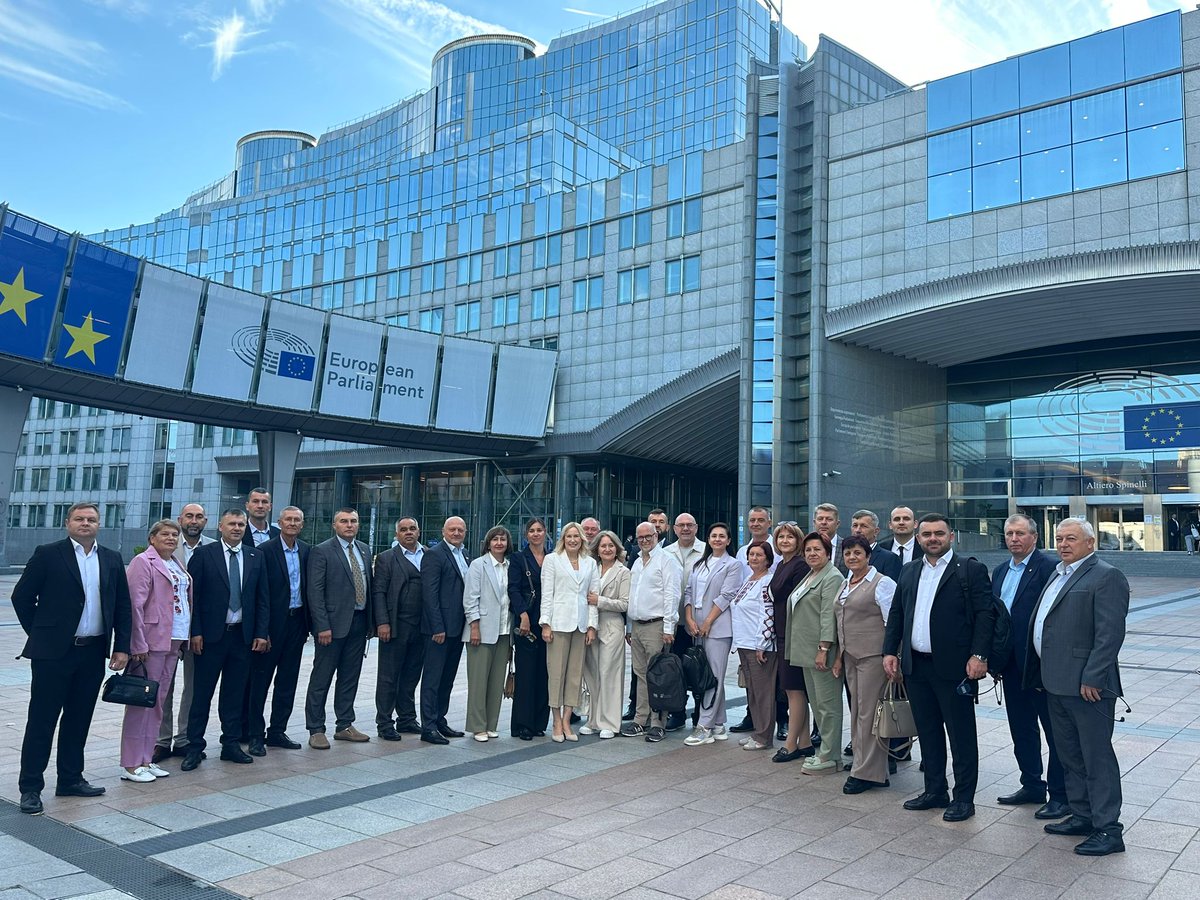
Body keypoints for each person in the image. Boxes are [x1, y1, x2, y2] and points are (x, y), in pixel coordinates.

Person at [14, 502, 132, 815]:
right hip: (53, 654)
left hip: (92, 652)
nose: (85, 523)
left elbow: (122, 605)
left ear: (99, 524)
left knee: (78, 719)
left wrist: (122, 646)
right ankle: (30, 787)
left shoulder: (111, 558)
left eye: (91, 519)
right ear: (68, 522)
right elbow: (21, 597)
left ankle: (70, 778)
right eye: (79, 518)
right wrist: (42, 633)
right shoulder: (48, 554)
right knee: (42, 720)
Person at [1025, 518, 1130, 856]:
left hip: (1088, 687)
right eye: (1059, 538)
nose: (1064, 544)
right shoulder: (1059, 572)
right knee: (1070, 756)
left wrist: (1093, 676)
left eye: (1071, 538)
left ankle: (1108, 829)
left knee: (1096, 757)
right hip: (1055, 683)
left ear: (1090, 542)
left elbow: (1109, 633)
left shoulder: (1106, 575)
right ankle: (1082, 815)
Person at [883, 513, 993, 822]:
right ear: (918, 538)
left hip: (955, 668)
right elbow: (897, 613)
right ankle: (934, 790)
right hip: (916, 666)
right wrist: (890, 651)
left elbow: (985, 615)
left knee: (961, 735)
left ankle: (963, 798)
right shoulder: (909, 571)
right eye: (927, 534)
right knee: (928, 732)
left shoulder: (970, 570)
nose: (933, 538)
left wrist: (979, 656)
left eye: (939, 533)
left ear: (951, 536)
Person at [182, 509, 269, 771]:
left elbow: (262, 599)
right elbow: (192, 598)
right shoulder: (204, 555)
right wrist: (194, 632)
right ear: (220, 526)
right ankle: (194, 747)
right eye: (231, 523)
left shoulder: (256, 556)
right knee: (201, 694)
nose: (237, 528)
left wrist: (261, 633)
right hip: (210, 638)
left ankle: (230, 744)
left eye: (241, 524)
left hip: (242, 637)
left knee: (234, 694)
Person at [991, 514, 1066, 819]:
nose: (1014, 539)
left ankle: (1060, 794)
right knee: (1021, 728)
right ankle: (1032, 783)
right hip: (1009, 666)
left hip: (1040, 666)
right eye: (1009, 533)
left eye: (1020, 533)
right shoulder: (998, 572)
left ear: (1035, 537)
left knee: (1054, 732)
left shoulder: (1050, 569)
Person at [120, 520, 191, 783]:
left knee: (157, 703)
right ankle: (130, 763)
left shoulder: (176, 563)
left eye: (175, 534)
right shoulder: (143, 562)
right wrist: (137, 643)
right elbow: (134, 605)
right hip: (151, 643)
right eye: (165, 534)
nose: (171, 538)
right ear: (152, 538)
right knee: (141, 704)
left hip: (174, 640)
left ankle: (146, 758)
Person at [304, 508, 374, 749]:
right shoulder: (322, 551)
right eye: (344, 521)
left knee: (349, 677)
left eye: (354, 521)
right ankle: (316, 729)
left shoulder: (364, 549)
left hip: (359, 622)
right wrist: (321, 626)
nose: (349, 525)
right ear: (334, 525)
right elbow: (315, 592)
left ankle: (345, 724)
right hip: (331, 627)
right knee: (322, 678)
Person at [247, 506, 310, 755]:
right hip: (271, 626)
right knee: (260, 682)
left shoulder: (307, 550)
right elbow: (258, 594)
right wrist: (262, 631)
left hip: (297, 623)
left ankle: (277, 731)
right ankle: (254, 734)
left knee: (287, 681)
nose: (293, 523)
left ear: (302, 524)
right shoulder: (264, 551)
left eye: (297, 520)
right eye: (288, 519)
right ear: (279, 523)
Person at [833, 535, 894, 794]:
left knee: (869, 714)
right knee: (858, 712)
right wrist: (838, 656)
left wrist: (893, 657)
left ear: (868, 556)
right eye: (848, 553)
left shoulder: (882, 583)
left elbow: (892, 622)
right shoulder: (846, 582)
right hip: (850, 657)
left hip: (873, 657)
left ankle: (867, 772)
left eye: (857, 552)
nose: (852, 557)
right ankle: (865, 763)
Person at [154, 502, 213, 764]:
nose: (194, 520)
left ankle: (185, 738)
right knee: (163, 685)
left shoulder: (213, 547)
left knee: (194, 686)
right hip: (168, 629)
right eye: (189, 516)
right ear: (180, 519)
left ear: (206, 521)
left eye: (199, 517)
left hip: (198, 629)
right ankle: (161, 740)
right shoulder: (164, 547)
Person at [787, 532, 844, 775]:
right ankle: (825, 752)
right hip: (805, 651)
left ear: (828, 553)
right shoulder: (812, 575)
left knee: (828, 705)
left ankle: (831, 756)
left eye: (817, 549)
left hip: (822, 652)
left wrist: (824, 648)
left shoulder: (832, 576)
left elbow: (827, 615)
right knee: (818, 704)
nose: (812, 553)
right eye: (808, 550)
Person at [681, 522, 744, 746]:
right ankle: (718, 722)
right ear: (708, 539)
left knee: (714, 676)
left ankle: (704, 726)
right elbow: (688, 592)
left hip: (717, 627)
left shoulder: (733, 565)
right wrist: (689, 618)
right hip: (697, 626)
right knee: (707, 674)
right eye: (713, 535)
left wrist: (708, 621)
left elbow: (727, 595)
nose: (717, 539)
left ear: (728, 540)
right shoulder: (701, 564)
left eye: (722, 536)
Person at [621, 522, 681, 742]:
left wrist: (668, 627)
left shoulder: (666, 561)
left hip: (657, 625)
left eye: (648, 536)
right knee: (640, 674)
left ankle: (658, 723)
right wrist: (629, 626)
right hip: (637, 626)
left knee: (658, 676)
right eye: (640, 538)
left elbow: (672, 595)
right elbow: (632, 596)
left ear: (657, 535)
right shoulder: (637, 562)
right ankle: (640, 719)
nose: (644, 540)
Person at [540, 522, 599, 742]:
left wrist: (592, 626)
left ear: (582, 539)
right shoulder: (552, 560)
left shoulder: (590, 563)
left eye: (576, 536)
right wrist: (545, 623)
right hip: (558, 624)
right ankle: (555, 720)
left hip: (581, 626)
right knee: (556, 674)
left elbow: (593, 596)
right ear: (563, 539)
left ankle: (567, 719)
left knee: (575, 676)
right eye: (569, 536)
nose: (573, 540)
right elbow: (548, 594)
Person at [372, 517, 425, 741]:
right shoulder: (386, 558)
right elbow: (379, 592)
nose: (408, 532)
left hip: (422, 626)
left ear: (419, 531)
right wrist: (382, 623)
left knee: (412, 675)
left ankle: (407, 718)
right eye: (403, 530)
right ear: (397, 535)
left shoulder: (429, 555)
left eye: (412, 528)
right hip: (395, 625)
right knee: (388, 676)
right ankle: (384, 723)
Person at [420, 516, 471, 744]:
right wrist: (437, 626)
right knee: (432, 678)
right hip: (439, 630)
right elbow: (429, 594)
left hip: (458, 628)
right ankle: (428, 726)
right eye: (452, 529)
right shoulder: (434, 554)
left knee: (447, 678)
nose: (457, 533)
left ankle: (440, 719)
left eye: (460, 529)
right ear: (444, 531)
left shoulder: (465, 554)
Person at [768, 522, 815, 762]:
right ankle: (805, 741)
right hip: (782, 633)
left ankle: (791, 744)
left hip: (795, 635)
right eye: (780, 537)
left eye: (790, 537)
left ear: (799, 541)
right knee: (793, 689)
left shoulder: (799, 565)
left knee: (794, 690)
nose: (785, 540)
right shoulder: (780, 565)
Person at [463, 526, 514, 742]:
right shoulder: (478, 565)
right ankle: (477, 726)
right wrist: (474, 626)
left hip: (504, 631)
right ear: (488, 542)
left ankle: (491, 724)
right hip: (481, 631)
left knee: (496, 682)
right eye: (495, 539)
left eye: (503, 539)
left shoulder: (511, 566)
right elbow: (470, 598)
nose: (499, 543)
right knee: (478, 682)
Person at [581, 530, 629, 739]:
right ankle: (593, 719)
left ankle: (610, 721)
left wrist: (600, 601)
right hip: (591, 626)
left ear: (617, 549)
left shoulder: (623, 572)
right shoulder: (592, 569)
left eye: (611, 546)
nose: (607, 549)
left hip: (612, 627)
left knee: (609, 674)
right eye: (603, 546)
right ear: (597, 550)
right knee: (592, 674)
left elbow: (625, 604)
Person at [731, 542, 776, 751]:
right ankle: (757, 731)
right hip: (744, 643)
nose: (754, 558)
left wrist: (762, 643)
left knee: (763, 692)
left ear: (768, 559)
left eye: (759, 555)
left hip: (759, 646)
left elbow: (768, 614)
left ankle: (764, 736)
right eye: (751, 554)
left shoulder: (767, 581)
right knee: (752, 693)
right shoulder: (749, 580)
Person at [663, 512, 706, 731]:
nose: (686, 529)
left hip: (699, 623)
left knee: (698, 669)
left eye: (690, 525)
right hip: (673, 623)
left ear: (696, 528)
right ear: (674, 528)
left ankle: (701, 712)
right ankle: (677, 712)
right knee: (675, 668)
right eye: (682, 525)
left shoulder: (707, 550)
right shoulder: (665, 553)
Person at [508, 518, 550, 740]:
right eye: (532, 531)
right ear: (526, 535)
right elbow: (513, 589)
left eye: (539, 530)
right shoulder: (518, 558)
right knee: (526, 674)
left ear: (545, 533)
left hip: (548, 623)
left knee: (544, 674)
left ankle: (539, 723)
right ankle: (522, 725)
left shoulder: (553, 558)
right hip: (527, 624)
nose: (536, 534)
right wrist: (522, 614)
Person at [849, 510, 902, 581]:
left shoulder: (890, 559)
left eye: (864, 526)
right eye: (855, 526)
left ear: (876, 531)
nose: (858, 530)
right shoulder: (846, 556)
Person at [813, 504, 845, 574]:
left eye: (829, 519)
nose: (824, 522)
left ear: (837, 524)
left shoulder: (846, 546)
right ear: (814, 523)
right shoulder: (805, 547)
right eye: (820, 519)